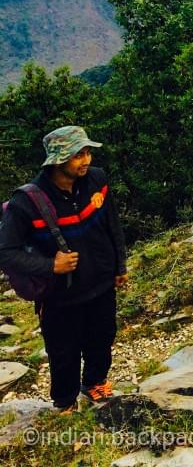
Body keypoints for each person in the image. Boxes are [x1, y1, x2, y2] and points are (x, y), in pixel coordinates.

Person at [0, 126, 127, 411]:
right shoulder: (27, 202)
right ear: (58, 160)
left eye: (87, 152)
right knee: (63, 353)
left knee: (102, 337)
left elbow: (112, 224)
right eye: (77, 155)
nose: (86, 160)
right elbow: (6, 252)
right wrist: (50, 265)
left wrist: (120, 264)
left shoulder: (97, 180)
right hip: (59, 297)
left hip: (101, 283)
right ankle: (66, 403)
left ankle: (95, 383)